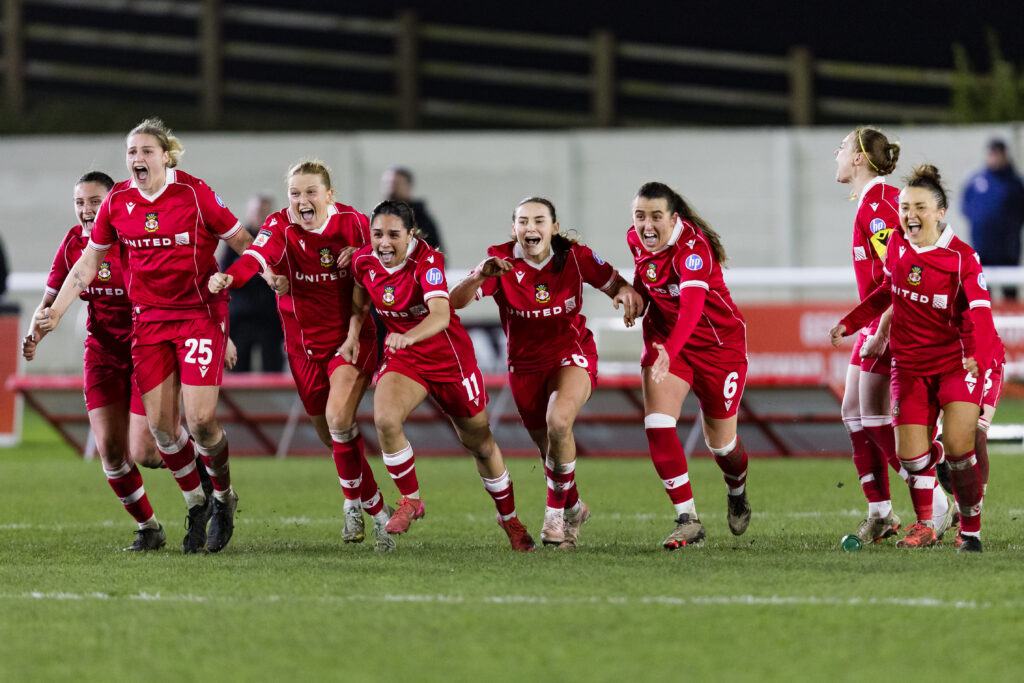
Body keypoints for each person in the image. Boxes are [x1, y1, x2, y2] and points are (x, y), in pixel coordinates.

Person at [36, 117, 250, 554]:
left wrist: (264, 274)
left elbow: (244, 240)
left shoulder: (194, 193)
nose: (137, 158)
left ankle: (224, 498)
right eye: (131, 152)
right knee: (160, 431)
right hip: (150, 322)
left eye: (146, 151)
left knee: (202, 420)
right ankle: (196, 505)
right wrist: (55, 313)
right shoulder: (118, 202)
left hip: (198, 314)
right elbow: (87, 264)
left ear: (165, 155)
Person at [209, 160, 395, 551]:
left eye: (311, 192)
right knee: (332, 435)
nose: (302, 200)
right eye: (295, 193)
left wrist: (362, 256)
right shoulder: (280, 225)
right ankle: (356, 496)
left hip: (351, 339)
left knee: (338, 418)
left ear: (330, 195)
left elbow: (389, 255)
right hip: (302, 346)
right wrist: (232, 277)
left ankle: (372, 511)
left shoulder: (357, 225)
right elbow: (256, 256)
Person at [344, 199, 536, 551]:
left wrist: (407, 335)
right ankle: (411, 499)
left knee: (479, 443)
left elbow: (441, 315)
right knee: (385, 420)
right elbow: (360, 300)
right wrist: (354, 334)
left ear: (411, 234)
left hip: (449, 359)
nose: (384, 243)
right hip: (406, 358)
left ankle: (510, 519)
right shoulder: (363, 261)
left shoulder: (428, 261)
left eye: (393, 235)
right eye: (377, 235)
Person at [449, 197, 642, 548]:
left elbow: (617, 284)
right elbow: (454, 302)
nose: (530, 228)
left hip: (572, 353)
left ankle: (554, 515)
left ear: (554, 227)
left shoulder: (576, 258)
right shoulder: (500, 261)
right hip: (524, 367)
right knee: (549, 448)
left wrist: (627, 294)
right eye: (523, 222)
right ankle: (573, 507)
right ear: (514, 229)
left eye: (539, 220)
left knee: (559, 422)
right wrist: (479, 275)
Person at [830, 165, 994, 553]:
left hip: (955, 364)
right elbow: (888, 289)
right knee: (911, 455)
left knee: (959, 449)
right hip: (910, 367)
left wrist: (978, 356)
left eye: (919, 207)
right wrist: (851, 322)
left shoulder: (962, 259)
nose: (909, 215)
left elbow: (982, 313)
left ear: (940, 212)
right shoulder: (899, 246)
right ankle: (926, 520)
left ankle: (969, 530)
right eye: (904, 207)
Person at [22, 171, 170, 551]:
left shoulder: (136, 240)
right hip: (102, 353)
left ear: (112, 203)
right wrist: (35, 332)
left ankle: (200, 474)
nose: (87, 211)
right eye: (80, 203)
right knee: (111, 451)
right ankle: (149, 528)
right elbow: (52, 296)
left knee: (147, 452)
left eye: (94, 202)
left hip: (146, 348)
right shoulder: (73, 243)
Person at [832, 126, 953, 544]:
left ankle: (934, 495)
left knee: (873, 416)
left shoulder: (882, 206)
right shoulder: (872, 203)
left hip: (894, 323)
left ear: (860, 158)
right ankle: (881, 512)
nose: (837, 152)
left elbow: (903, 275)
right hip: (878, 320)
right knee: (852, 412)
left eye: (844, 147)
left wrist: (882, 328)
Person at [628, 182, 751, 550]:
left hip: (718, 349)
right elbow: (646, 275)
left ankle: (737, 490)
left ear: (674, 218)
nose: (646, 226)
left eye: (655, 217)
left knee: (722, 445)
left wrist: (670, 348)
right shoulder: (637, 240)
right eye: (639, 216)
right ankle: (688, 519)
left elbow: (693, 308)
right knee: (658, 423)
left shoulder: (694, 250)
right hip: (669, 345)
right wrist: (636, 296)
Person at [219, 192, 284, 372]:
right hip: (242, 320)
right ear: (249, 213)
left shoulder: (278, 241)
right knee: (238, 370)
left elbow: (281, 276)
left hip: (270, 319)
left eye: (264, 211)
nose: (260, 215)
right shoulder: (235, 241)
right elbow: (226, 276)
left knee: (273, 370)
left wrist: (247, 272)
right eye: (256, 211)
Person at [961, 139, 1024, 301]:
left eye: (998, 154)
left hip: (1007, 248)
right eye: (992, 154)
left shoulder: (1015, 183)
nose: (995, 158)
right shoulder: (977, 181)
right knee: (982, 292)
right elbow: (966, 207)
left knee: (1009, 292)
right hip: (983, 246)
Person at [380, 166, 443, 250]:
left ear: (408, 186)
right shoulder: (375, 218)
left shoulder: (421, 220)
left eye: (396, 184)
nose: (391, 189)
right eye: (387, 184)